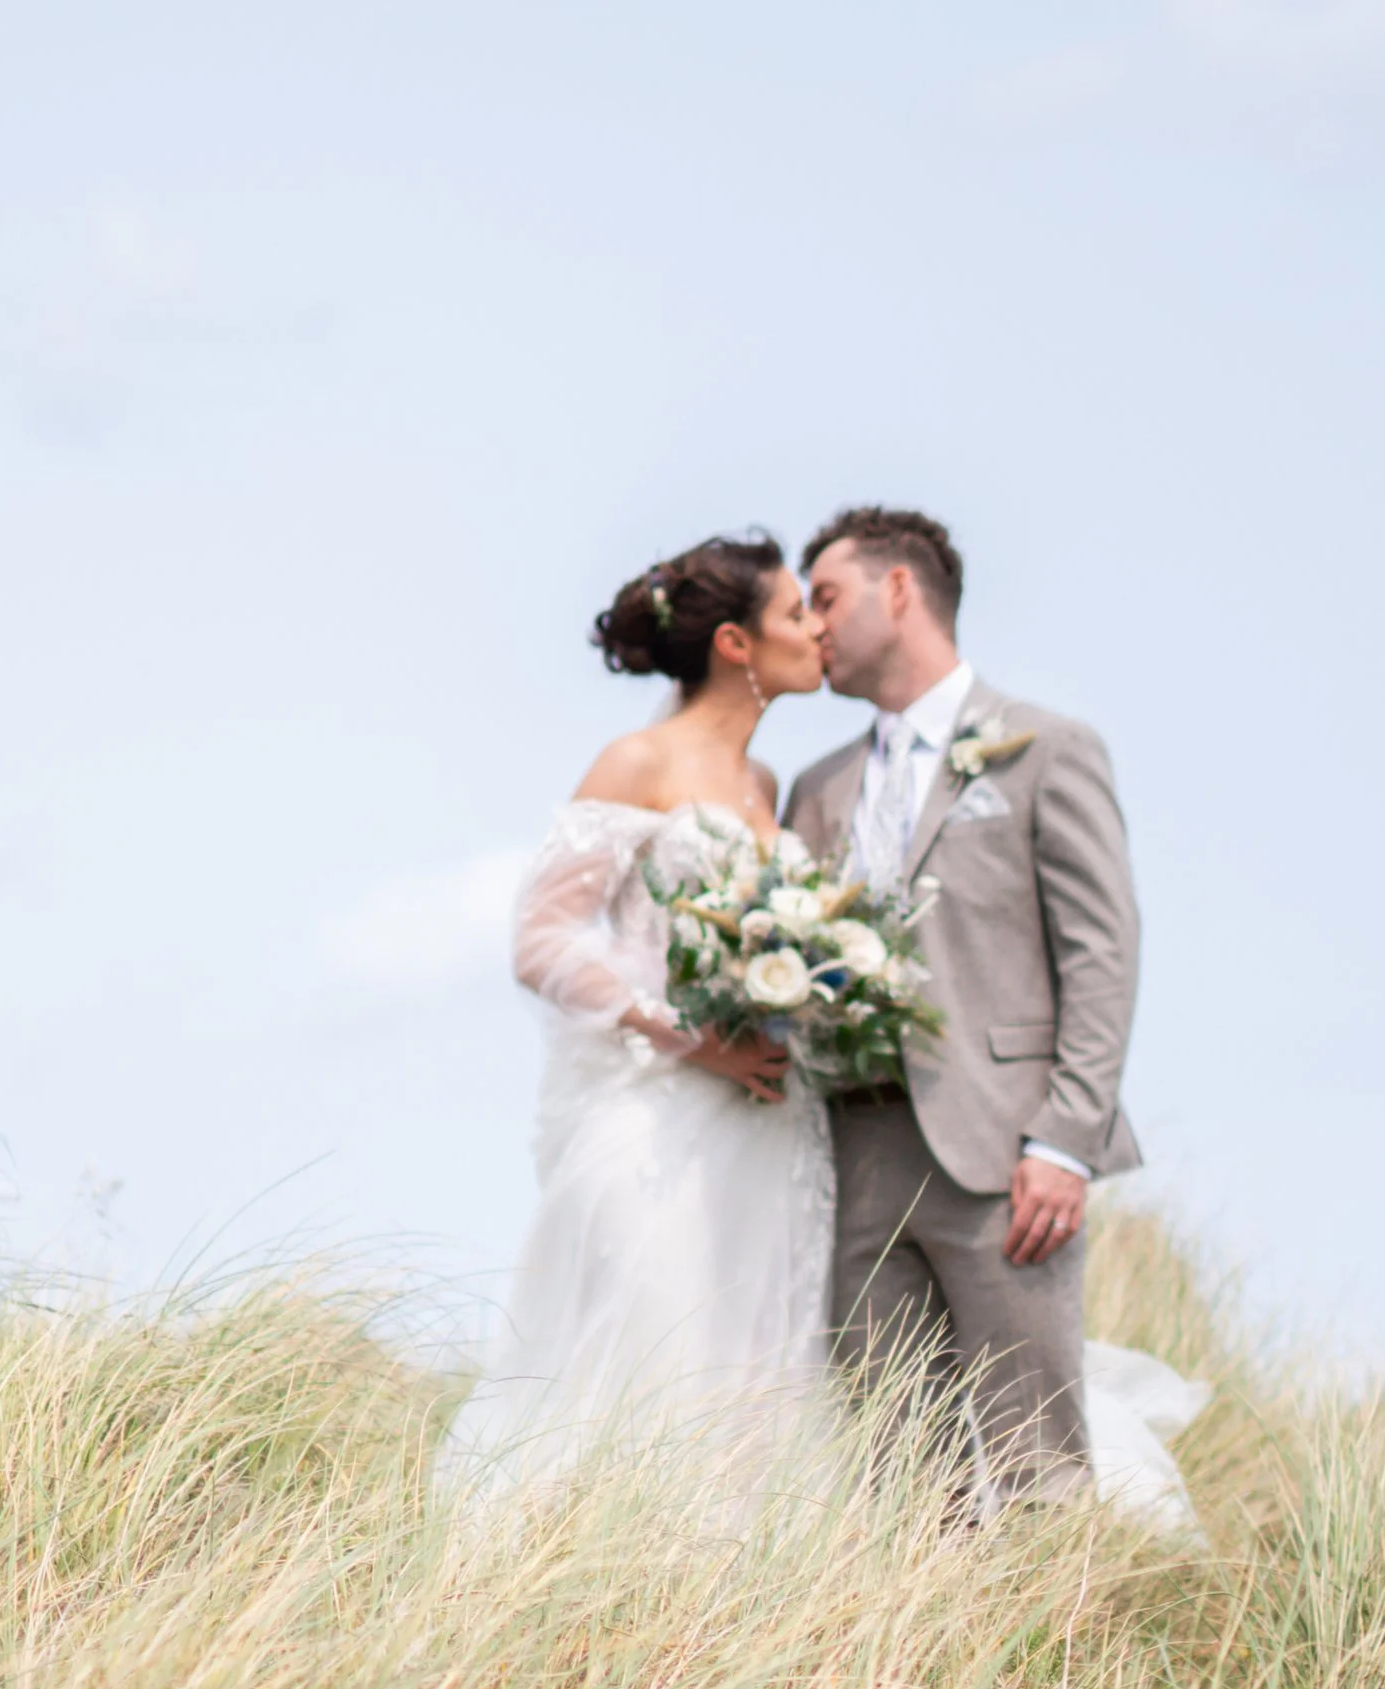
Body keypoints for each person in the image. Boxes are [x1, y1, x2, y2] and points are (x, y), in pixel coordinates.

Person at [439, 531, 837, 1503]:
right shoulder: (636, 760)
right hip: (657, 1116)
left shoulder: (767, 788)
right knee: (648, 1352)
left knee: (757, 1378)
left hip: (771, 1121)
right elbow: (540, 940)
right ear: (736, 645)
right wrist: (689, 1036)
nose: (818, 627)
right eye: (796, 612)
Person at [783, 506, 1148, 1511]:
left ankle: (1062, 1669)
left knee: (1039, 1467)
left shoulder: (1046, 751)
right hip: (857, 1158)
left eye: (824, 597)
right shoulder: (815, 790)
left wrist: (1065, 1139)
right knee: (898, 1480)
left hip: (1004, 1159)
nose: (810, 626)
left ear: (896, 590)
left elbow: (1101, 951)